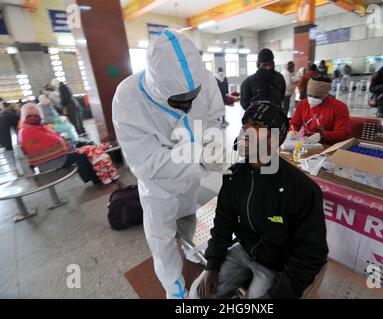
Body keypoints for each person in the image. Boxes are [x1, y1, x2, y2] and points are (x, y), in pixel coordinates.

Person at [112, 30, 227, 299]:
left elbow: (214, 116)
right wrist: (198, 157)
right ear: (157, 87)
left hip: (192, 176)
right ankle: (173, 287)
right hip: (159, 184)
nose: (188, 105)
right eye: (179, 100)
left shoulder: (203, 78)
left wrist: (213, 142)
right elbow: (146, 163)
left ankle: (188, 249)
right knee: (162, 236)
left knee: (187, 215)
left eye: (193, 96)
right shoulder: (128, 99)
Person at [189, 101, 329, 299]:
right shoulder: (234, 176)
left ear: (274, 139)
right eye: (245, 124)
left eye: (257, 127)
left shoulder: (302, 190)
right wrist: (212, 265)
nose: (247, 131)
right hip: (243, 250)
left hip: (276, 263)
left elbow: (311, 254)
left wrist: (278, 295)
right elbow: (223, 223)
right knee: (197, 294)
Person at [18, 103, 100, 183]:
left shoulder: (27, 128)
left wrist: (62, 140)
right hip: (49, 162)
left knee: (81, 149)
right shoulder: (29, 131)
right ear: (24, 117)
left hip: (49, 159)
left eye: (36, 115)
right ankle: (93, 179)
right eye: (30, 116)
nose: (33, 118)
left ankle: (90, 177)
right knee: (82, 157)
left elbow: (52, 137)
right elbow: (56, 141)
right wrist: (63, 141)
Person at [289, 77, 351, 145]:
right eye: (309, 95)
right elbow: (294, 124)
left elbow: (343, 133)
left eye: (316, 97)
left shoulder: (339, 107)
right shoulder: (303, 104)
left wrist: (322, 136)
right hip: (307, 143)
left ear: (326, 94)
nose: (311, 99)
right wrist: (292, 131)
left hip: (328, 145)